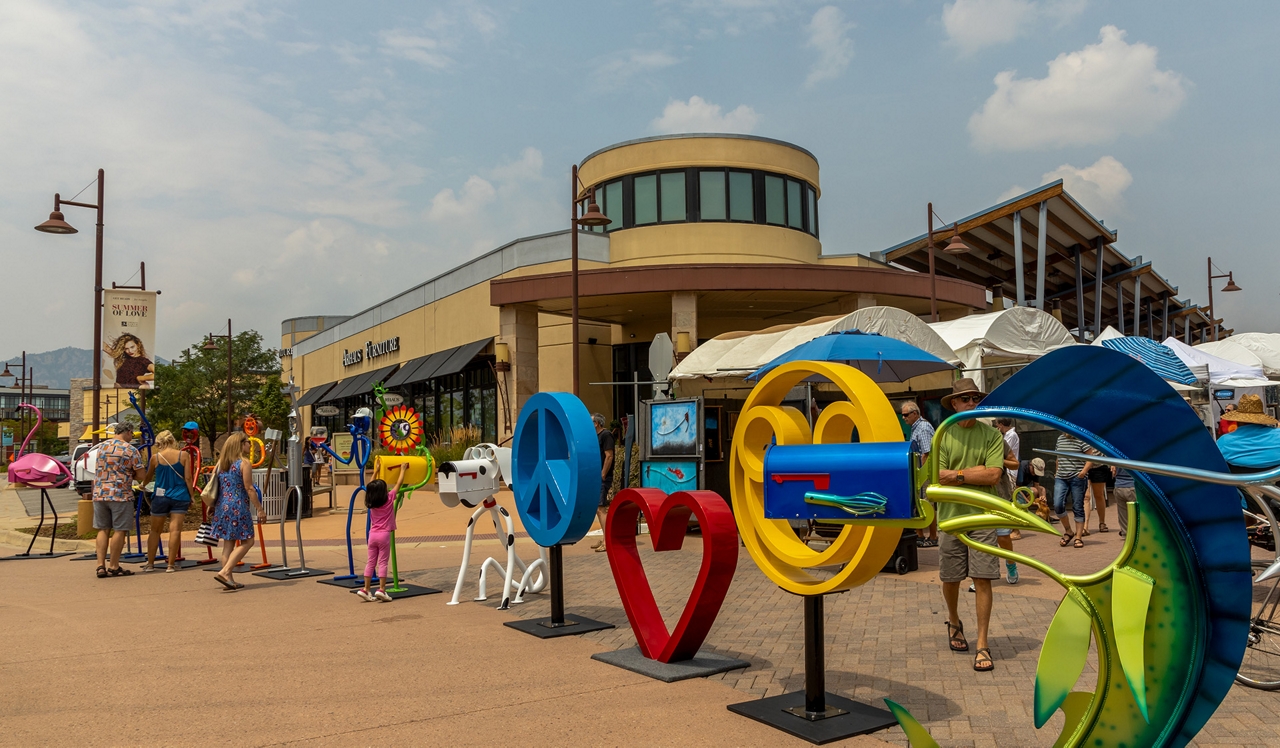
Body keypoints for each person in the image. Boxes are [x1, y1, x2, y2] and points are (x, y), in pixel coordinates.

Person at [933, 378, 1005, 672]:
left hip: (983, 516)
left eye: (976, 399)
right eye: (966, 399)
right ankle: (953, 621)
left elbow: (993, 476)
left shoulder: (991, 434)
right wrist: (974, 472)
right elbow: (937, 476)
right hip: (951, 517)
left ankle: (982, 643)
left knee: (983, 578)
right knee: (950, 579)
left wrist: (958, 474)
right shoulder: (943, 434)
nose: (972, 404)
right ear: (954, 404)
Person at [209, 433, 264, 591]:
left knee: (228, 545)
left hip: (222, 506)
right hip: (238, 506)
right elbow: (249, 488)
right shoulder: (243, 463)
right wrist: (259, 509)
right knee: (248, 541)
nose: (249, 445)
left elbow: (215, 485)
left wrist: (212, 504)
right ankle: (225, 572)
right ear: (240, 444)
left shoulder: (221, 463)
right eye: (247, 442)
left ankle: (229, 579)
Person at [93, 422, 147, 579]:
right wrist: (130, 475)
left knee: (102, 529)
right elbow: (141, 475)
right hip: (120, 494)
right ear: (129, 432)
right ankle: (114, 565)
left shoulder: (101, 447)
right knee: (119, 530)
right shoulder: (131, 450)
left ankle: (100, 565)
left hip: (100, 493)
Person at [142, 430, 192, 573]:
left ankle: (150, 564)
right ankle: (170, 565)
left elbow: (148, 476)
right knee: (175, 530)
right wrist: (191, 495)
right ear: (172, 440)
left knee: (155, 530)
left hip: (160, 496)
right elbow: (188, 478)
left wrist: (143, 485)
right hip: (179, 495)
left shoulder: (155, 458)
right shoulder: (184, 455)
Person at [357, 474, 404, 602]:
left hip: (372, 535)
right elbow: (399, 484)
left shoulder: (371, 502)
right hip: (384, 535)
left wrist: (376, 471)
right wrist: (403, 470)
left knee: (370, 562)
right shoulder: (389, 499)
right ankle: (381, 589)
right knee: (383, 562)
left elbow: (370, 486)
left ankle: (366, 589)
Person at [902, 401, 937, 548]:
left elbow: (926, 454)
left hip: (924, 474)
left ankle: (933, 537)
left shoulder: (922, 427)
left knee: (927, 504)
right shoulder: (916, 427)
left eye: (906, 415)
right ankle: (920, 535)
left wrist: (920, 475)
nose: (904, 418)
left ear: (915, 413)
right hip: (919, 473)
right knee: (919, 504)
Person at [1217, 395, 1280, 470]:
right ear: (1262, 419)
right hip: (1275, 479)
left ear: (1237, 420)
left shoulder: (1223, 442)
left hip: (1238, 480)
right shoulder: (1278, 435)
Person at [1052, 432, 1092, 548]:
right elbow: (1058, 457)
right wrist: (1057, 472)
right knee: (1058, 505)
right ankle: (1068, 531)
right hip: (1061, 477)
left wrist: (1083, 472)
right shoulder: (1060, 438)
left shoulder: (1081, 439)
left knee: (1077, 506)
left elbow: (1091, 457)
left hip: (1077, 477)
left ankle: (1078, 537)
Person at [591, 413, 615, 553]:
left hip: (603, 478)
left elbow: (609, 455)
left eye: (591, 421)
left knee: (601, 508)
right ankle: (604, 537)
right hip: (596, 477)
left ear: (596, 423)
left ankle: (607, 542)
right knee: (598, 508)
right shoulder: (596, 436)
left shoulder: (606, 435)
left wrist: (603, 474)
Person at [995, 418, 1022, 541]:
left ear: (1001, 424)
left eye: (997, 425)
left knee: (1010, 501)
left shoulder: (1011, 435)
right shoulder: (1007, 435)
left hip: (1009, 472)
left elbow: (1002, 452)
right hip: (1006, 471)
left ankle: (1015, 530)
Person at [1084, 456, 1111, 534]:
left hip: (1099, 465)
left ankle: (1102, 522)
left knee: (1099, 495)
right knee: (1086, 497)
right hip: (1084, 466)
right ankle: (1085, 526)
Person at [1113, 466, 1134, 539]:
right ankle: (1136, 533)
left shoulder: (1119, 454)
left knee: (1122, 513)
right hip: (1132, 484)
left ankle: (1125, 533)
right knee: (1136, 513)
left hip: (1119, 485)